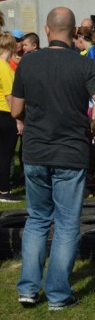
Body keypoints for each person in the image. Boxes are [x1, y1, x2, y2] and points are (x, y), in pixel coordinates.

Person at [13, 6, 95, 310]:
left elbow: (16, 110)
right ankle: (57, 295)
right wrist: (90, 129)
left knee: (37, 220)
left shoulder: (27, 62)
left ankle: (28, 290)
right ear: (74, 33)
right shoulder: (84, 65)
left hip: (35, 150)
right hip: (71, 150)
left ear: (46, 30)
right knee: (67, 224)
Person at [0, 31, 20, 202]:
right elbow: (9, 96)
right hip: (5, 114)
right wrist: (19, 119)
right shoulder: (5, 68)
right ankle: (4, 191)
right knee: (5, 154)